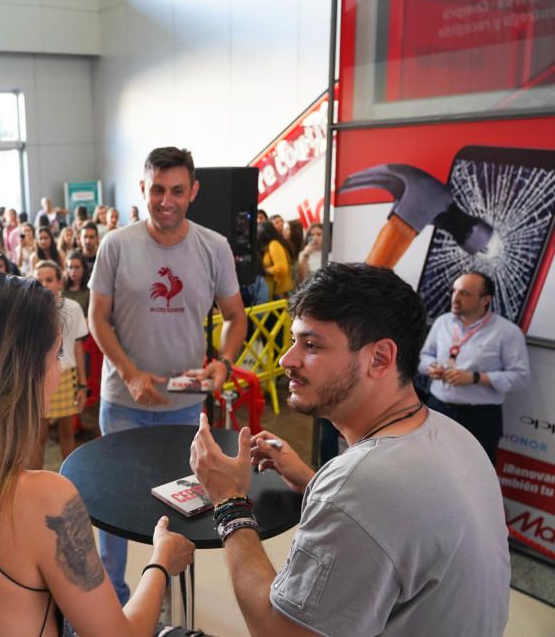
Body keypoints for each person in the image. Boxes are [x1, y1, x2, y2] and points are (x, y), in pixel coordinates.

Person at [189, 262, 510, 636]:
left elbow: (278, 632)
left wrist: (229, 501)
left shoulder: (361, 486)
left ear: (379, 358)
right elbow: (396, 524)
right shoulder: (453, 435)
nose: (286, 360)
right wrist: (314, 481)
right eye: (294, 340)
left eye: (311, 345)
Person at [0, 272, 194, 636]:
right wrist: (160, 562)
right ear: (23, 371)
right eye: (56, 354)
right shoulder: (44, 499)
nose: (59, 370)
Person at [89, 146, 248, 604]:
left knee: (186, 504)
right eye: (157, 189)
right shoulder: (116, 245)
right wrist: (130, 372)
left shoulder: (213, 247)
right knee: (111, 505)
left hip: (185, 404)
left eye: (177, 190)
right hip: (123, 403)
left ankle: (175, 595)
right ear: (144, 188)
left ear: (193, 191)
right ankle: (112, 601)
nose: (166, 200)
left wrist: (224, 363)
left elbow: (235, 316)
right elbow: (98, 318)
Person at [418, 271, 529, 465]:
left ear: (486, 299)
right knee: (428, 466)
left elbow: (520, 376)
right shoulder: (443, 322)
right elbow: (424, 356)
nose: (455, 298)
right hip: (437, 409)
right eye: (455, 291)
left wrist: (476, 378)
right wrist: (432, 367)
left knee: (476, 476)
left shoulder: (507, 332)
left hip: (479, 419)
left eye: (465, 294)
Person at [34, 261, 88, 462]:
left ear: (59, 282)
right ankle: (36, 485)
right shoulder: (30, 309)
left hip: (65, 375)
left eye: (49, 280)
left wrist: (82, 384)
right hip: (39, 378)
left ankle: (68, 479)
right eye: (39, 280)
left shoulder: (72, 308)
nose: (44, 284)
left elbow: (77, 347)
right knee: (38, 437)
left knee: (67, 433)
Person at [258, 220, 293, 300]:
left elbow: (281, 269)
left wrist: (265, 270)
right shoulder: (269, 246)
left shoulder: (274, 244)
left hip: (280, 294)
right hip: (275, 294)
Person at [63, 250, 90, 316]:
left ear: (84, 269)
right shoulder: (61, 288)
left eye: (77, 267)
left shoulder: (89, 291)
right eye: (70, 267)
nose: (73, 271)